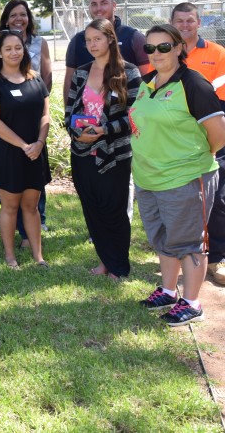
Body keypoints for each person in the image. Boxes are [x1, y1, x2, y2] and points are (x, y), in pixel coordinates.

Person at [130, 24, 225, 327]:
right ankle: (169, 290)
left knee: (187, 242)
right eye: (150, 48)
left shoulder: (193, 84)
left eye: (163, 47)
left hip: (185, 179)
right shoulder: (147, 83)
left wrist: (196, 157)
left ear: (177, 48)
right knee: (162, 238)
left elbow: (220, 134)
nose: (156, 53)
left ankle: (192, 302)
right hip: (149, 177)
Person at [64, 19, 141, 279]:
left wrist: (103, 131)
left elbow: (134, 117)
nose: (92, 44)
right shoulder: (82, 72)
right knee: (92, 209)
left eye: (97, 38)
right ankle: (104, 261)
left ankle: (118, 266)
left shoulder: (128, 72)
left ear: (110, 38)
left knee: (114, 210)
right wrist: (77, 133)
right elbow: (70, 109)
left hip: (114, 153)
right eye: (88, 40)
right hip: (82, 151)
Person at [171, 2, 225, 287]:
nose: (185, 26)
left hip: (211, 140)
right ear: (171, 23)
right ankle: (179, 257)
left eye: (190, 20)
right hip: (172, 144)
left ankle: (218, 259)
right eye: (179, 21)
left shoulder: (217, 54)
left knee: (216, 198)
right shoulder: (163, 52)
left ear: (199, 23)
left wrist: (201, 135)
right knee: (177, 200)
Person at [0, 29, 51, 269]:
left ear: (24, 50)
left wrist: (39, 144)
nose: (14, 52)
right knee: (10, 207)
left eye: (18, 48)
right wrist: (23, 145)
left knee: (31, 207)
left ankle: (38, 256)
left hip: (35, 153)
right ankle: (10, 256)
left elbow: (45, 115)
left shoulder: (35, 79)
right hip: (7, 154)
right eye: (8, 48)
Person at [0, 0, 50, 241]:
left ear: (29, 17)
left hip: (35, 115)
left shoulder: (40, 43)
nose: (18, 18)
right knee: (11, 188)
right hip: (9, 123)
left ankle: (37, 226)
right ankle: (19, 229)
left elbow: (46, 78)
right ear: (6, 19)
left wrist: (35, 101)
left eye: (23, 14)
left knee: (34, 182)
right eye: (13, 15)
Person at [63, 0, 151, 106]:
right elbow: (69, 81)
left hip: (124, 116)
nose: (98, 8)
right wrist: (69, 115)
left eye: (104, 3)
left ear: (114, 5)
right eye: (94, 4)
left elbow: (148, 80)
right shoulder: (77, 41)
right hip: (86, 120)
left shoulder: (133, 37)